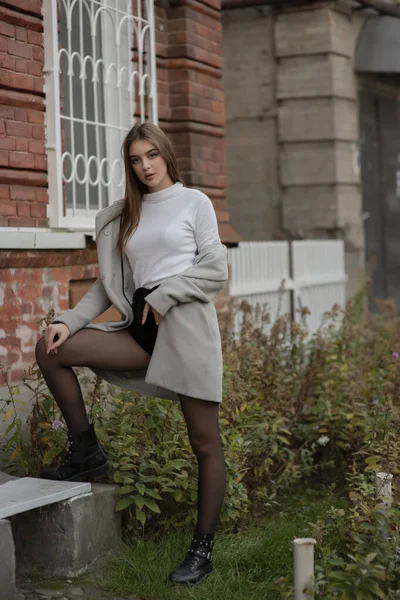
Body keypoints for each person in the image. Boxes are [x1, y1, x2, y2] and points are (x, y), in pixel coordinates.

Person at [34, 123, 228, 585]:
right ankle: (86, 450)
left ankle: (202, 550)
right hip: (139, 327)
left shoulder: (193, 202)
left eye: (152, 156)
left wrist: (166, 294)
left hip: (184, 329)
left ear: (165, 154)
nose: (145, 166)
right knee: (51, 349)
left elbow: (215, 267)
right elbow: (108, 285)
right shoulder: (125, 215)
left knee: (204, 442)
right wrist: (69, 321)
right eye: (136, 160)